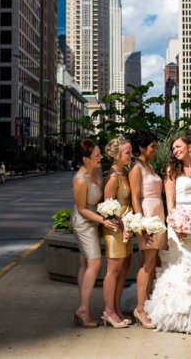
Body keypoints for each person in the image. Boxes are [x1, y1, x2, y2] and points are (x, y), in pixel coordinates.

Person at [145, 135, 191, 334]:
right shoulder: (172, 170)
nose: (175, 150)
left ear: (190, 146)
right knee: (182, 265)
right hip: (179, 223)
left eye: (179, 146)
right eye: (173, 148)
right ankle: (177, 315)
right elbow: (170, 202)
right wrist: (176, 225)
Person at [71, 139, 119, 328]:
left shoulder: (97, 170)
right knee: (95, 262)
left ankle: (82, 306)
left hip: (95, 219)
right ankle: (83, 310)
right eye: (96, 156)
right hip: (83, 223)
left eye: (100, 154)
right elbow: (82, 209)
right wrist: (102, 220)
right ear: (85, 159)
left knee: (85, 263)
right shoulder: (80, 180)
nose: (100, 158)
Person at [128, 130, 166, 329]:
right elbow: (135, 197)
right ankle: (140, 309)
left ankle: (147, 303)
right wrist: (141, 223)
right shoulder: (136, 169)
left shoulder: (148, 166)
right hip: (148, 215)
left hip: (158, 213)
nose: (155, 150)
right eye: (152, 146)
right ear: (142, 148)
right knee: (148, 262)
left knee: (154, 261)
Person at [101, 137, 133, 328]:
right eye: (128, 152)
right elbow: (108, 208)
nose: (131, 155)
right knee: (113, 270)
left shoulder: (124, 172)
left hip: (126, 227)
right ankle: (108, 311)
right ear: (117, 155)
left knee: (124, 268)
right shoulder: (113, 177)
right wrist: (120, 226)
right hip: (115, 229)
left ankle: (116, 308)